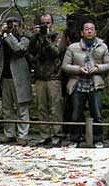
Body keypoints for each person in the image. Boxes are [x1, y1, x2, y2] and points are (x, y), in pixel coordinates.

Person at [62, 19, 109, 148]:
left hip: (95, 83)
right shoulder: (73, 47)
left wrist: (98, 68)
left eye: (92, 29)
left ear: (95, 32)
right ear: (82, 33)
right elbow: (65, 66)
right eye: (86, 29)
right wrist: (78, 69)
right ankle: (75, 139)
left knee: (97, 113)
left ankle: (98, 139)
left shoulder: (103, 46)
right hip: (77, 83)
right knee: (76, 113)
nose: (89, 31)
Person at [0, 16, 32, 144]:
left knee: (21, 108)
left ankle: (22, 136)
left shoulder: (25, 38)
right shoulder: (4, 37)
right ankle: (9, 133)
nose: (13, 28)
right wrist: (0, 34)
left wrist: (9, 36)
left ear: (19, 26)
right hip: (5, 77)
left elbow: (18, 48)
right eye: (10, 25)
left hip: (19, 79)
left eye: (15, 25)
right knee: (7, 108)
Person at [29, 13, 65, 145]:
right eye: (43, 23)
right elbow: (30, 52)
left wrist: (46, 38)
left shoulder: (58, 36)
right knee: (41, 107)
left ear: (52, 23)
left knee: (55, 107)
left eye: (48, 23)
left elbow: (56, 52)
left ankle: (57, 133)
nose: (45, 25)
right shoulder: (36, 37)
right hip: (40, 76)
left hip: (53, 76)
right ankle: (44, 134)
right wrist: (36, 37)